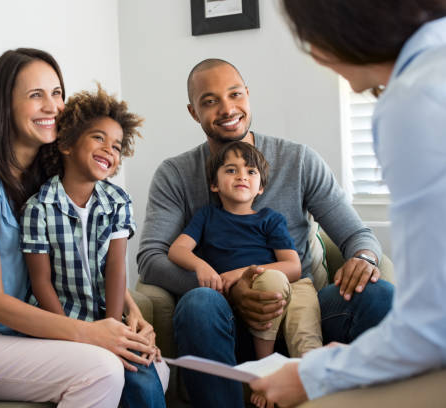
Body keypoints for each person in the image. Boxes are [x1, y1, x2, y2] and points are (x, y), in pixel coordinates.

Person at [137, 57, 394, 407]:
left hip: (299, 307)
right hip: (219, 320)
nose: (228, 109)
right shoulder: (176, 175)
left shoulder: (299, 160)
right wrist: (229, 288)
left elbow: (356, 236)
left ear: (248, 95)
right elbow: (151, 259)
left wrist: (363, 258)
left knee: (378, 294)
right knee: (199, 303)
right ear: (193, 112)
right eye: (210, 101)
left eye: (235, 94)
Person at [0, 48, 159, 408]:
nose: (52, 106)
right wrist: (91, 334)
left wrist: (130, 314)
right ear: (5, 106)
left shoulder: (50, 176)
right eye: (36, 95)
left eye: (57, 93)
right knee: (103, 369)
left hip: (27, 332)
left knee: (149, 367)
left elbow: (86, 258)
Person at [249, 1, 446, 406]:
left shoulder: (413, 100)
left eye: (307, 38)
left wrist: (316, 373)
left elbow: (430, 327)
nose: (313, 54)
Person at [20, 85, 168, 408]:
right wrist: (71, 333)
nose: (108, 150)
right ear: (67, 143)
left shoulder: (118, 202)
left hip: (104, 318)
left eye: (116, 145)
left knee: (140, 366)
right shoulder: (38, 208)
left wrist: (115, 330)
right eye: (98, 138)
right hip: (57, 321)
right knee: (129, 372)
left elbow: (115, 269)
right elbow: (40, 282)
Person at [168, 140, 322, 408]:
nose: (242, 176)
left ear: (261, 187)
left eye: (251, 172)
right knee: (264, 283)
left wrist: (239, 273)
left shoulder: (269, 219)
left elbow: (293, 266)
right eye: (231, 170)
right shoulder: (206, 216)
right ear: (214, 184)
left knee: (304, 336)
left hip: (285, 287)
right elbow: (178, 250)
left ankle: (311, 389)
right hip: (237, 302)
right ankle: (263, 374)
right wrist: (201, 266)